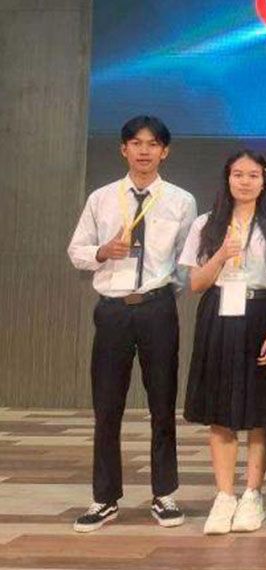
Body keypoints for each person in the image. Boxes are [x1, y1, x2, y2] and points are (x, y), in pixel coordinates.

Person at [67, 115, 196, 532]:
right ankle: (104, 498)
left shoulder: (181, 201)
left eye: (153, 144)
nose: (144, 151)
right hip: (113, 310)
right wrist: (102, 252)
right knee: (107, 406)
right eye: (136, 143)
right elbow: (76, 251)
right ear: (124, 149)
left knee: (163, 404)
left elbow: (183, 262)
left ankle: (164, 494)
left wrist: (162, 296)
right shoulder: (102, 198)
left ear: (165, 151)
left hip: (158, 308)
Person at [180, 150, 266, 534]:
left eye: (253, 175)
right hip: (220, 312)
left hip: (263, 313)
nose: (245, 181)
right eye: (238, 174)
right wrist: (220, 256)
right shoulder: (206, 223)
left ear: (264, 180)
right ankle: (224, 495)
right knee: (221, 408)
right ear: (227, 178)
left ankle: (252, 494)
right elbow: (196, 284)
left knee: (260, 409)